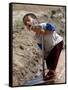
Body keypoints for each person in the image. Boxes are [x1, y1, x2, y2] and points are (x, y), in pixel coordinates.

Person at [23, 13, 63, 80]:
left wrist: (45, 31)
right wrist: (44, 54)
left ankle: (52, 74)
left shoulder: (43, 25)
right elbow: (42, 47)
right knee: (48, 61)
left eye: (28, 20)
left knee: (53, 63)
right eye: (25, 23)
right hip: (49, 48)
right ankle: (51, 73)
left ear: (35, 21)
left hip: (57, 43)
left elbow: (53, 27)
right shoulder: (37, 37)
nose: (27, 23)